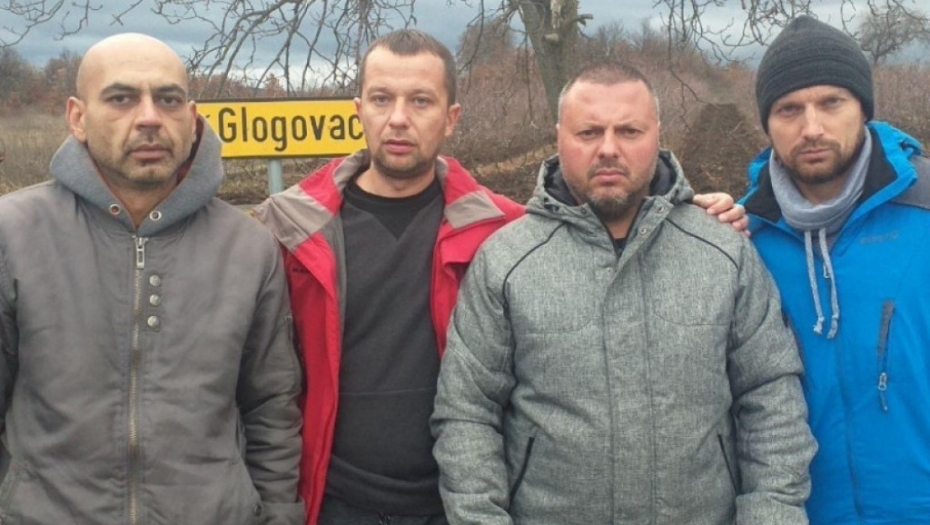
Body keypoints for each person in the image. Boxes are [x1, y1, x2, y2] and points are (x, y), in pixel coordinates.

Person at [254, 30, 748, 525]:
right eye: (382, 99)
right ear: (359, 109)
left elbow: (608, 227)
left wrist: (688, 213)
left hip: (458, 502)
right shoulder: (293, 232)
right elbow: (263, 392)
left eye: (421, 101)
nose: (398, 118)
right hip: (334, 501)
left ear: (451, 118)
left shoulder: (504, 230)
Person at [430, 61, 816, 525]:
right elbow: (467, 413)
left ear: (657, 135)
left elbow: (770, 397)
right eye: (589, 132)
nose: (609, 149)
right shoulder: (506, 261)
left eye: (629, 131)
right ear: (559, 137)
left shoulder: (723, 251)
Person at [0, 33, 304, 524]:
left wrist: (278, 516)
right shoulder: (13, 234)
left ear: (192, 117)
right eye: (121, 98)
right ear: (77, 117)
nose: (149, 117)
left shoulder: (248, 247)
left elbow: (272, 410)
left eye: (168, 99)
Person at [742, 15, 930, 525]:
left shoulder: (925, 209)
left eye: (831, 102)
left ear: (863, 108)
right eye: (788, 109)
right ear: (767, 122)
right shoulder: (744, 239)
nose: (812, 128)